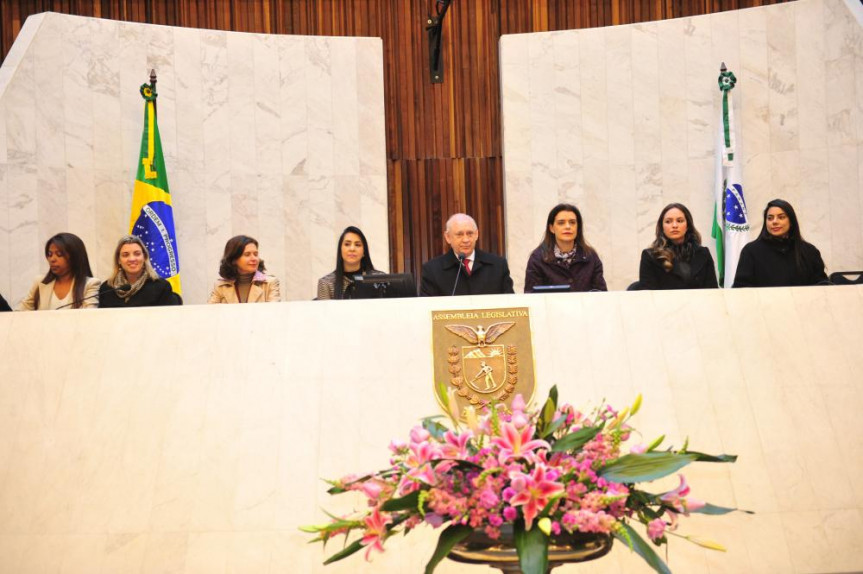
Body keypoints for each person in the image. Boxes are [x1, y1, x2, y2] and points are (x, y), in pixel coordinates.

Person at [733, 199, 827, 288]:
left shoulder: (809, 251)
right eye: (770, 218)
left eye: (781, 217)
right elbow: (741, 288)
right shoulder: (751, 251)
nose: (774, 222)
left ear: (791, 221)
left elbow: (822, 286)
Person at [420, 213, 514, 296]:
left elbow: (511, 305)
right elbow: (426, 310)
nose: (466, 240)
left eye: (470, 234)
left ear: (476, 234)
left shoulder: (498, 266)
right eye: (459, 234)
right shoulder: (432, 270)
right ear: (448, 237)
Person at [524, 203, 607, 292]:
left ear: (578, 227)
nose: (568, 226)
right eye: (561, 223)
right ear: (551, 228)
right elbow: (531, 297)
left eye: (572, 222)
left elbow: (601, 295)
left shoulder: (590, 256)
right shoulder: (537, 259)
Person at [638, 203, 718, 290]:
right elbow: (648, 296)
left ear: (687, 226)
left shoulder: (703, 253)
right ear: (662, 227)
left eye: (680, 221)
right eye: (668, 221)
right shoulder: (650, 256)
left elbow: (712, 292)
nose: (674, 226)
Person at [19, 232, 100, 310]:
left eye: (59, 254)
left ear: (74, 257)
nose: (52, 259)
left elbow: (89, 318)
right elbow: (19, 314)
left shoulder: (90, 285)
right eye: (50, 254)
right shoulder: (40, 282)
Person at [99, 235, 180, 307]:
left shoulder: (161, 287)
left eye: (137, 254)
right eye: (125, 255)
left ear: (144, 257)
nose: (132, 259)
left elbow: (168, 320)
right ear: (118, 260)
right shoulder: (107, 289)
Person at [208, 235, 281, 303]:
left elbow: (273, 313)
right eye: (247, 254)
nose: (254, 259)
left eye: (255, 254)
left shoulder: (270, 283)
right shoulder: (220, 286)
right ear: (233, 260)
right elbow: (210, 313)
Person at [316, 226, 383, 300]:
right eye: (347, 244)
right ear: (340, 250)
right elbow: (325, 311)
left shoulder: (380, 279)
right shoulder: (326, 283)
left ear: (364, 252)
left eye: (357, 245)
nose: (352, 249)